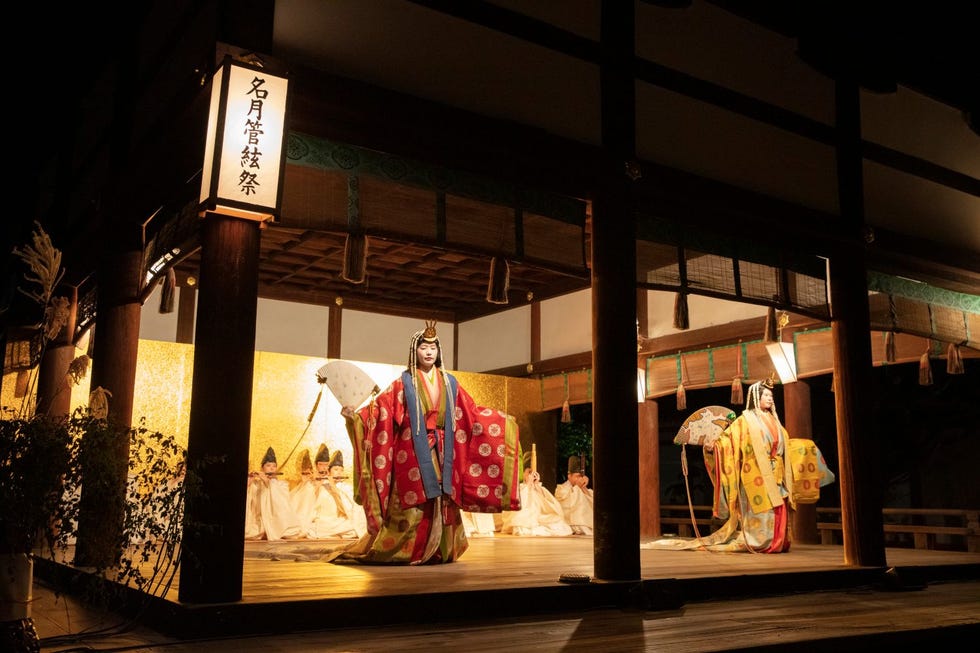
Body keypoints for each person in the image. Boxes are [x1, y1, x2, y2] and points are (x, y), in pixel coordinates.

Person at [339, 321, 522, 564]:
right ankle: (406, 549)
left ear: (439, 352)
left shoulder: (450, 383)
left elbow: (471, 413)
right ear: (414, 351)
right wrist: (357, 417)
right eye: (424, 347)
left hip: (444, 449)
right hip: (412, 450)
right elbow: (380, 412)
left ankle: (441, 549)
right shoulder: (402, 383)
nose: (428, 352)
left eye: (433, 348)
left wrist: (502, 423)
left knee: (444, 497)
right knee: (415, 498)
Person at [647, 375, 834, 553]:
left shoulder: (774, 420)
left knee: (779, 508)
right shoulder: (744, 421)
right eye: (766, 395)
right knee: (763, 511)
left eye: (771, 395)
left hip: (776, 473)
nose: (770, 399)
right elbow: (727, 441)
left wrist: (804, 449)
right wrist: (713, 447)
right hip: (754, 474)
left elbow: (783, 445)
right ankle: (760, 542)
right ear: (756, 397)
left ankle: (778, 541)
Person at [244, 446, 305, 540]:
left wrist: (268, 482)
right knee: (251, 532)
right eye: (268, 466)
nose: (271, 469)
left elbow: (282, 503)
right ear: (262, 468)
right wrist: (250, 480)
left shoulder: (282, 484)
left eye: (274, 466)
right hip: (259, 520)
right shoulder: (256, 483)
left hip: (276, 520)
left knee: (291, 532)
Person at [500, 463, 573, 537]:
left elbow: (549, 504)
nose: (532, 475)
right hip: (526, 515)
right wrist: (528, 484)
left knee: (558, 521)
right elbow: (519, 503)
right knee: (521, 526)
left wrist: (536, 485)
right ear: (523, 473)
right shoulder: (520, 487)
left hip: (539, 516)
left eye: (533, 473)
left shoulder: (539, 488)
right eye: (529, 472)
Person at [554, 455, 593, 535]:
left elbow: (592, 501)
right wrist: (577, 488)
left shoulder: (584, 489)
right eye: (577, 476)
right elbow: (567, 503)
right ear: (569, 476)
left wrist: (583, 488)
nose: (580, 479)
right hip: (569, 523)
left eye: (581, 477)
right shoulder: (561, 489)